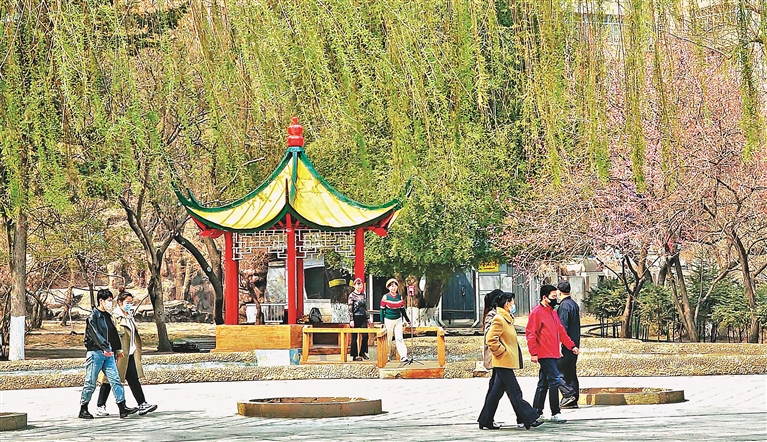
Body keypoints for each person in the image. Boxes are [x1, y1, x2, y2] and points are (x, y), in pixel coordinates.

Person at [478, 292, 543, 430]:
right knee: (515, 392)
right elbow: (490, 339)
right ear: (507, 304)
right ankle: (529, 418)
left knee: (496, 392)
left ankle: (485, 419)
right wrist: (501, 351)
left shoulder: (507, 318)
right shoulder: (499, 318)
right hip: (502, 361)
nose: (514, 305)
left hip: (505, 361)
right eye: (512, 302)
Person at [95, 291, 158, 417]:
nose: (130, 304)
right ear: (120, 302)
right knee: (109, 379)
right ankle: (100, 406)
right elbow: (109, 336)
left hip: (129, 353)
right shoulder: (114, 317)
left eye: (131, 302)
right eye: (128, 302)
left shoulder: (129, 316)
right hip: (118, 354)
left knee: (133, 379)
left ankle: (142, 404)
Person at [79, 289, 138, 419]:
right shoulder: (93, 316)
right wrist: (104, 347)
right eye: (109, 300)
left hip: (109, 353)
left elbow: (113, 333)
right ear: (101, 300)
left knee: (115, 380)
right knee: (90, 382)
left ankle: (122, 407)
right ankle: (83, 408)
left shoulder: (107, 316)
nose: (111, 303)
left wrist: (118, 349)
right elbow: (94, 334)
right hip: (96, 353)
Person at [526, 284, 579, 423]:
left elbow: (561, 331)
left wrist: (571, 345)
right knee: (554, 380)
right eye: (553, 296)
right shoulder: (537, 313)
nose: (556, 299)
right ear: (545, 297)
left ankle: (537, 411)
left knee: (543, 383)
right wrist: (533, 352)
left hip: (553, 353)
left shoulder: (553, 312)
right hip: (544, 353)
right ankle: (555, 412)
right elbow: (531, 333)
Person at [556, 281, 581, 408]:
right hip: (574, 343)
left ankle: (568, 394)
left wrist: (560, 344)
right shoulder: (573, 304)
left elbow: (562, 328)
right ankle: (573, 399)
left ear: (559, 292)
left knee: (559, 372)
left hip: (567, 345)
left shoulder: (564, 306)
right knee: (570, 372)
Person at [379, 278, 411, 363]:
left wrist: (407, 320)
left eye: (395, 286)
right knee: (388, 338)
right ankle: (387, 355)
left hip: (398, 320)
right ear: (388, 287)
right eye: (391, 286)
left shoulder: (399, 297)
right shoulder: (385, 297)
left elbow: (402, 310)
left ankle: (403, 356)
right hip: (388, 319)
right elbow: (382, 310)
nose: (393, 288)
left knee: (399, 338)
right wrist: (382, 322)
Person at [348, 278, 370, 361]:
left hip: (363, 317)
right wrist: (351, 319)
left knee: (365, 335)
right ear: (354, 285)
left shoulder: (363, 295)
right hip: (355, 317)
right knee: (354, 337)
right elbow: (350, 308)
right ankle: (354, 355)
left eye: (361, 285)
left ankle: (362, 352)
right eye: (358, 284)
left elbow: (365, 307)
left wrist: (368, 317)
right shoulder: (352, 295)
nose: (360, 286)